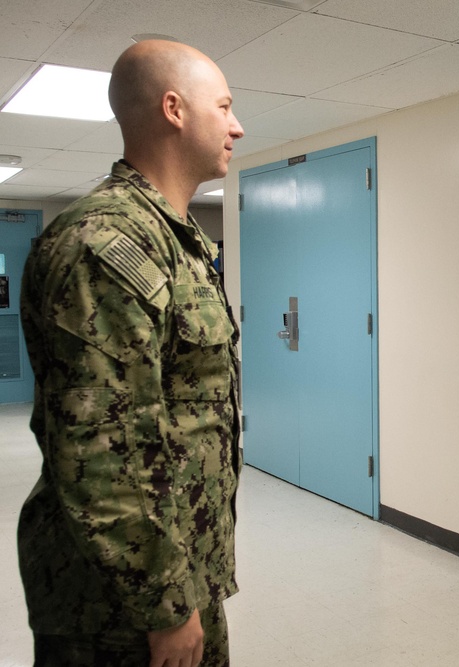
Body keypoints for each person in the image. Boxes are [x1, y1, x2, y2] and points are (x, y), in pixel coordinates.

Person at [18, 39, 244, 667]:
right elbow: (101, 443)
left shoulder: (177, 240)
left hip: (178, 570)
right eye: (223, 107)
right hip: (116, 606)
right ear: (175, 109)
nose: (237, 125)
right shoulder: (107, 244)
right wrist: (164, 603)